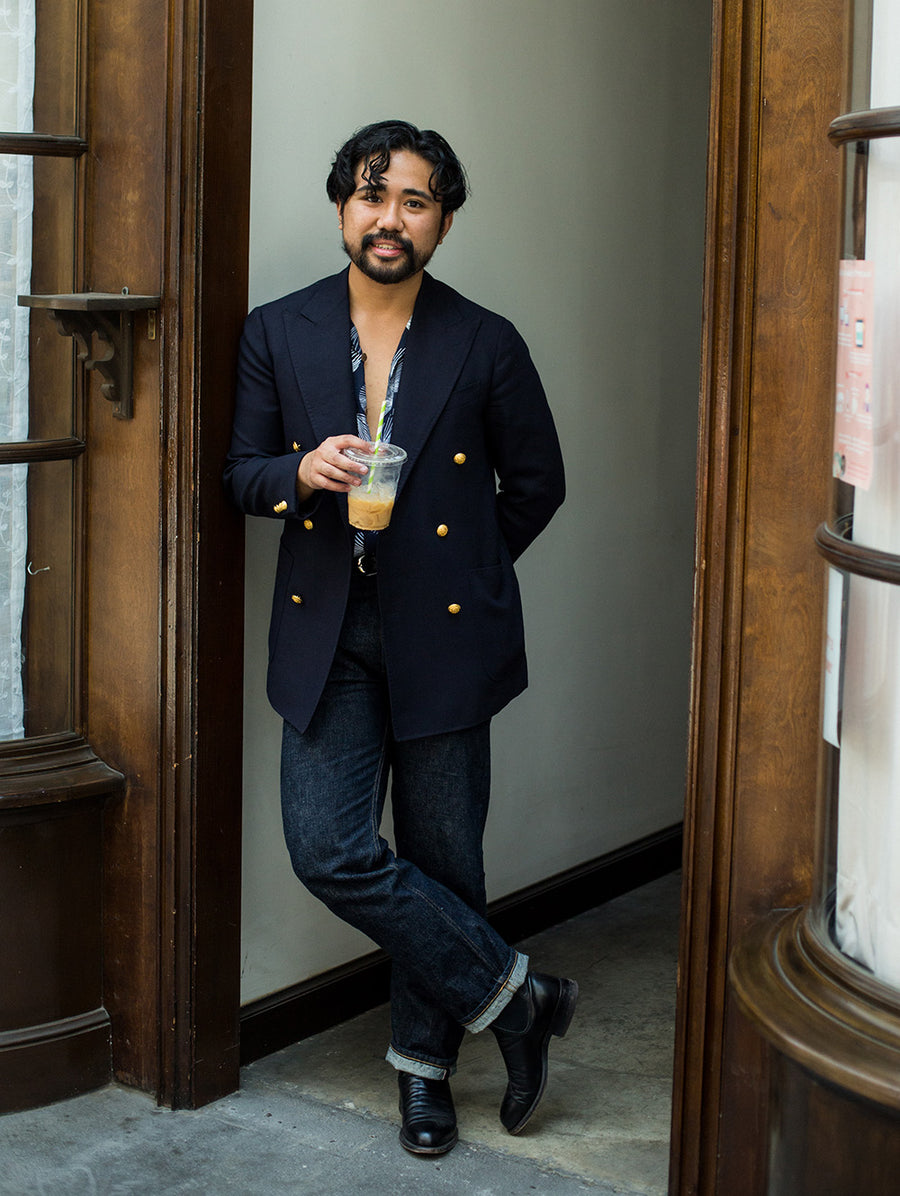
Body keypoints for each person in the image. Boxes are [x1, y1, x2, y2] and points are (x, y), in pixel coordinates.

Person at [224, 119, 575, 1157]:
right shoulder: (277, 330)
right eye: (373, 197)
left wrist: (461, 570)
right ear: (344, 208)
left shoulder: (486, 340)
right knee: (328, 847)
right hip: (325, 631)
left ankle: (425, 1072)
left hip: (448, 635)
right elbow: (239, 473)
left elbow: (538, 484)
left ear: (443, 222)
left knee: (444, 856)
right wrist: (299, 472)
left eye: (414, 201)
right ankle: (518, 996)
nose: (391, 218)